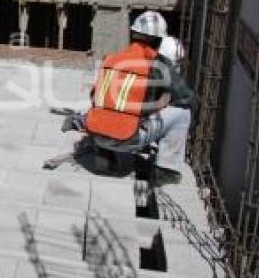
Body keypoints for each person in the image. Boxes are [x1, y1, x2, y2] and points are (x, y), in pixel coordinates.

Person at [67, 11, 194, 182]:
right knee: (182, 113)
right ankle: (165, 171)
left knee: (112, 109)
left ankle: (106, 158)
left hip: (97, 133)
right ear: (159, 40)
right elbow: (187, 98)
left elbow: (94, 96)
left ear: (133, 35)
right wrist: (159, 105)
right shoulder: (159, 64)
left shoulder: (111, 59)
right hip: (127, 138)